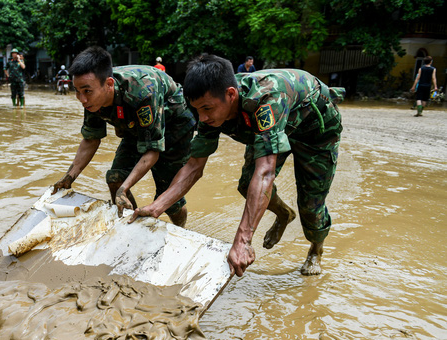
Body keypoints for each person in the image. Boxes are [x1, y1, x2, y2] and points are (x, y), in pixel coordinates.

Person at [131, 54, 345, 276]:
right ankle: (284, 214)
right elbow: (194, 166)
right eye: (197, 110)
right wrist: (156, 207)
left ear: (231, 95)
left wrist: (243, 240)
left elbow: (265, 173)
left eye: (206, 109)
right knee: (246, 184)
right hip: (273, 129)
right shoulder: (212, 107)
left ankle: (315, 249)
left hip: (315, 132)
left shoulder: (265, 101)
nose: (202, 118)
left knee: (310, 205)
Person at [52, 46, 196, 227]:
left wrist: (124, 189)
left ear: (109, 84)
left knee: (168, 198)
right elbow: (90, 139)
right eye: (77, 91)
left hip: (175, 125)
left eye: (87, 91)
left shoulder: (142, 92)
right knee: (115, 179)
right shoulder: (91, 99)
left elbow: (152, 150)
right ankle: (131, 228)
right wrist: (69, 177)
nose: (81, 99)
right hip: (135, 125)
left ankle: (181, 230)